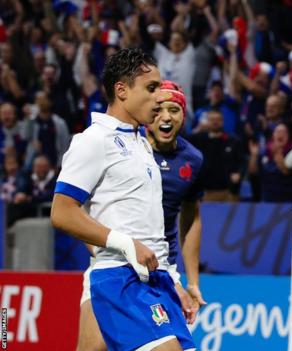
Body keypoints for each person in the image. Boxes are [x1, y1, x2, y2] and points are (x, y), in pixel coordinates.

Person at [50, 48, 195, 351]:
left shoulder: (141, 143)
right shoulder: (94, 140)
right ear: (122, 90)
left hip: (154, 281)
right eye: (151, 88)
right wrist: (125, 245)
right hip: (121, 279)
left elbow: (146, 227)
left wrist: (173, 280)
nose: (159, 97)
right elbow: (62, 212)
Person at [75, 80, 206, 351]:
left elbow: (191, 218)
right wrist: (101, 249)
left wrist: (191, 281)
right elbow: (72, 207)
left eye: (174, 109)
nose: (166, 117)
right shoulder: (121, 147)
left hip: (160, 272)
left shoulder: (193, 160)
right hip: (114, 268)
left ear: (184, 114)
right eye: (158, 110)